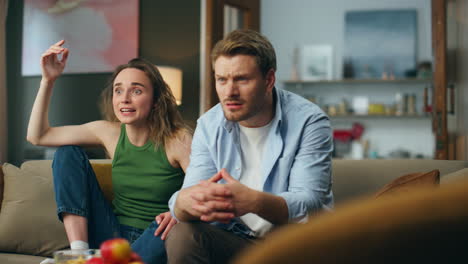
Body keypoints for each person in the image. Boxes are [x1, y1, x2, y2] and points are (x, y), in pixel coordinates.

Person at [165, 29, 333, 263]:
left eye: (241, 79)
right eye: (222, 80)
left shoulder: (309, 121)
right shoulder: (209, 125)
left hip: (293, 243)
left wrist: (254, 201)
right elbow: (187, 198)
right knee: (182, 234)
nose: (229, 92)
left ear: (269, 80)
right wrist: (183, 203)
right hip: (236, 239)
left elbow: (310, 202)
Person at [26, 40, 192, 264]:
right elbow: (38, 136)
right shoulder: (108, 132)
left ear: (155, 100)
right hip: (111, 232)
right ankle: (78, 253)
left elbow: (203, 191)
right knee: (67, 152)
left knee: (172, 223)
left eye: (136, 90)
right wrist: (48, 80)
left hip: (156, 235)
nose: (125, 98)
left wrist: (177, 212)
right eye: (118, 90)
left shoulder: (178, 139)